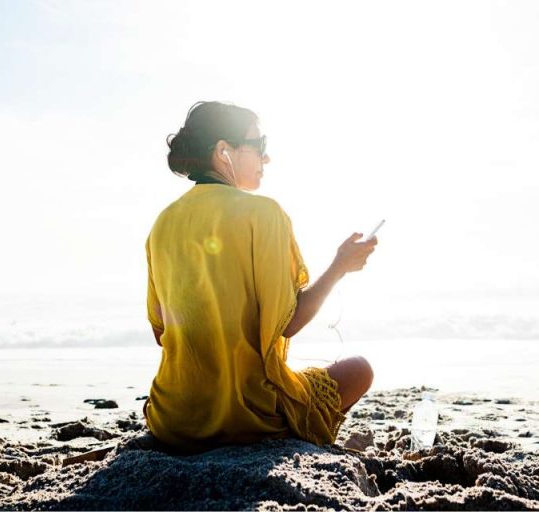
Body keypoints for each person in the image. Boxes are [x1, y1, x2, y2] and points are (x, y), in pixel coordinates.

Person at [144, 101, 377, 452]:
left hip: (174, 419)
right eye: (260, 145)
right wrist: (338, 268)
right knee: (360, 370)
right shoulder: (263, 213)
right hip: (249, 418)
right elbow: (289, 323)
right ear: (224, 151)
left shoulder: (162, 222)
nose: (266, 159)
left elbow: (162, 332)